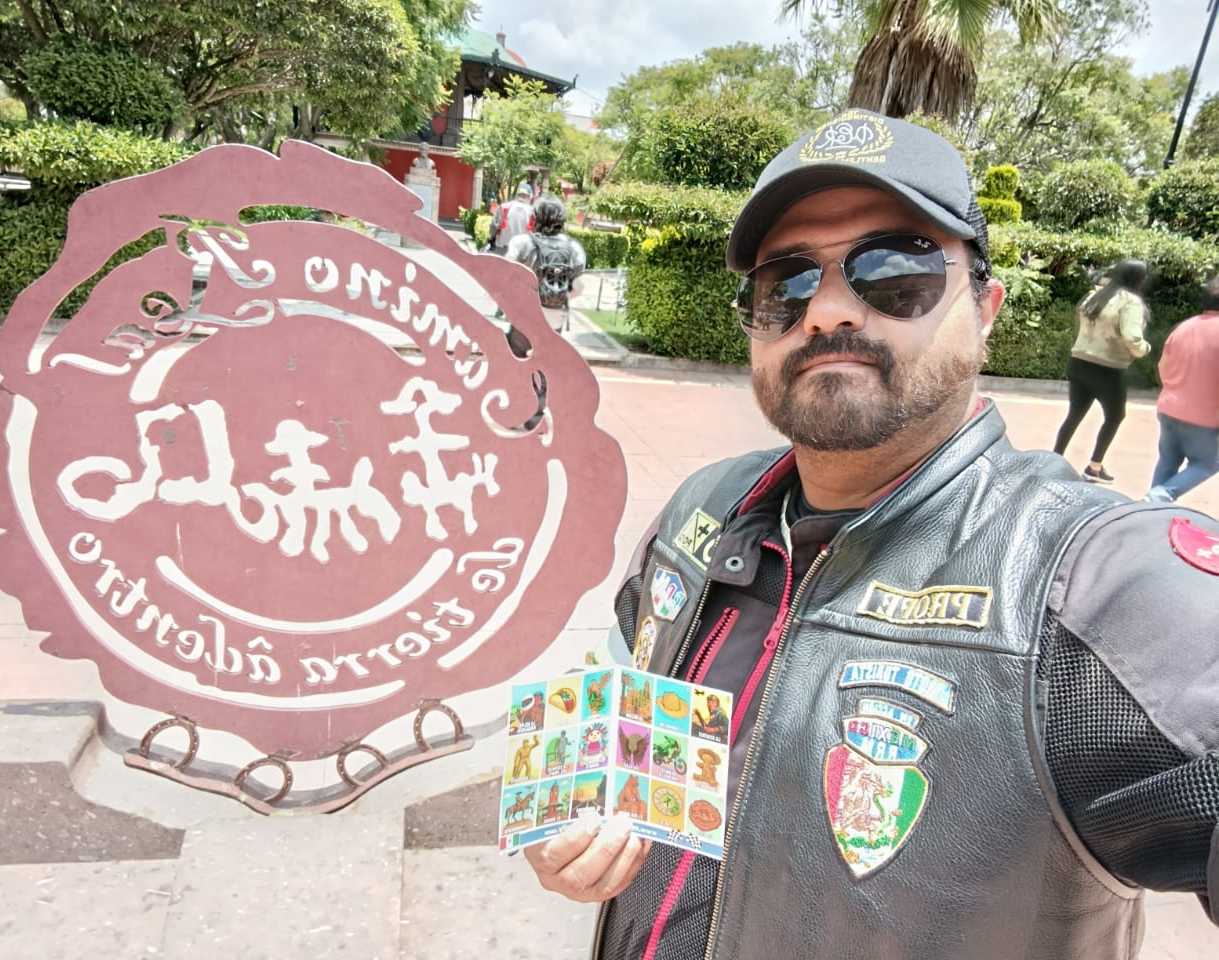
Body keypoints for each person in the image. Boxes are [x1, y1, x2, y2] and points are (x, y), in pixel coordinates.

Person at [522, 108, 1219, 960]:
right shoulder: (703, 509)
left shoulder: (1090, 585)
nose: (826, 311)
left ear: (986, 307)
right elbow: (614, 699)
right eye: (785, 284)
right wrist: (568, 820)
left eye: (893, 271)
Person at [1053, 259, 1152, 483]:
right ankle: (1094, 467)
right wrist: (1144, 349)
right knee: (1115, 416)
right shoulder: (1131, 302)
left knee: (1074, 414)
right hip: (1107, 369)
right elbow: (1132, 338)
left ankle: (1054, 458)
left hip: (1078, 361)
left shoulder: (1094, 295)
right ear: (1138, 278)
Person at [1145, 277, 1219, 503]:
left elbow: (1163, 367)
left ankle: (1150, 509)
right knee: (1207, 463)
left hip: (1169, 407)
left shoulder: (1184, 327)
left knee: (1168, 460)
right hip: (1203, 416)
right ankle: (1160, 495)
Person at [505, 193, 586, 334]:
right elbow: (579, 288)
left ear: (535, 217)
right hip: (555, 320)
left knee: (516, 347)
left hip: (524, 316)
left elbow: (504, 276)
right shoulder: (574, 248)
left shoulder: (522, 242)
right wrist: (558, 299)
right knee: (550, 348)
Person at [488, 182, 534, 254]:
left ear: (517, 195)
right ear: (530, 196)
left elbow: (493, 228)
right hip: (522, 253)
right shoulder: (533, 212)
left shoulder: (504, 207)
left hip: (502, 250)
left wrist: (493, 236)